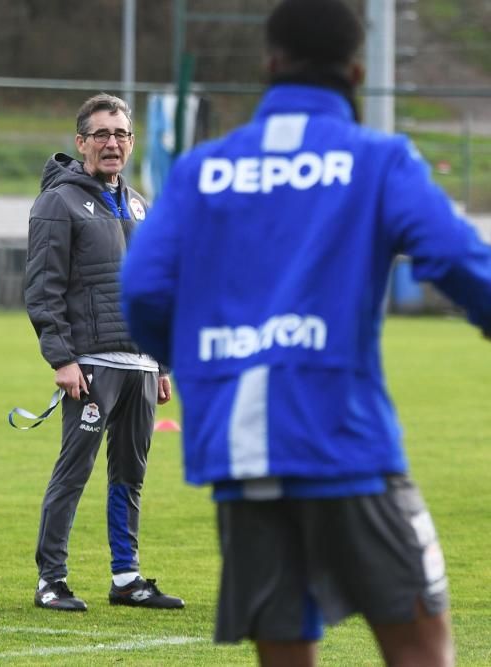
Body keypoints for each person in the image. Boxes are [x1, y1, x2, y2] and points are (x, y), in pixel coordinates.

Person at [121, 0, 491, 664]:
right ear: (355, 71)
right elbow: (460, 260)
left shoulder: (200, 169)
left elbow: (143, 289)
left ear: (270, 63)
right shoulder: (377, 158)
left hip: (240, 453)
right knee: (422, 649)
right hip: (344, 445)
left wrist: (206, 361)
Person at [23, 93, 184, 613]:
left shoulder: (140, 204)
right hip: (90, 364)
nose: (112, 143)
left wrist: (161, 362)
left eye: (121, 134)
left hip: (139, 364)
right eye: (102, 134)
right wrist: (62, 358)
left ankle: (126, 576)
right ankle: (51, 579)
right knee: (74, 469)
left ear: (131, 143)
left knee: (130, 474)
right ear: (81, 143)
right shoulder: (58, 202)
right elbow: (42, 288)